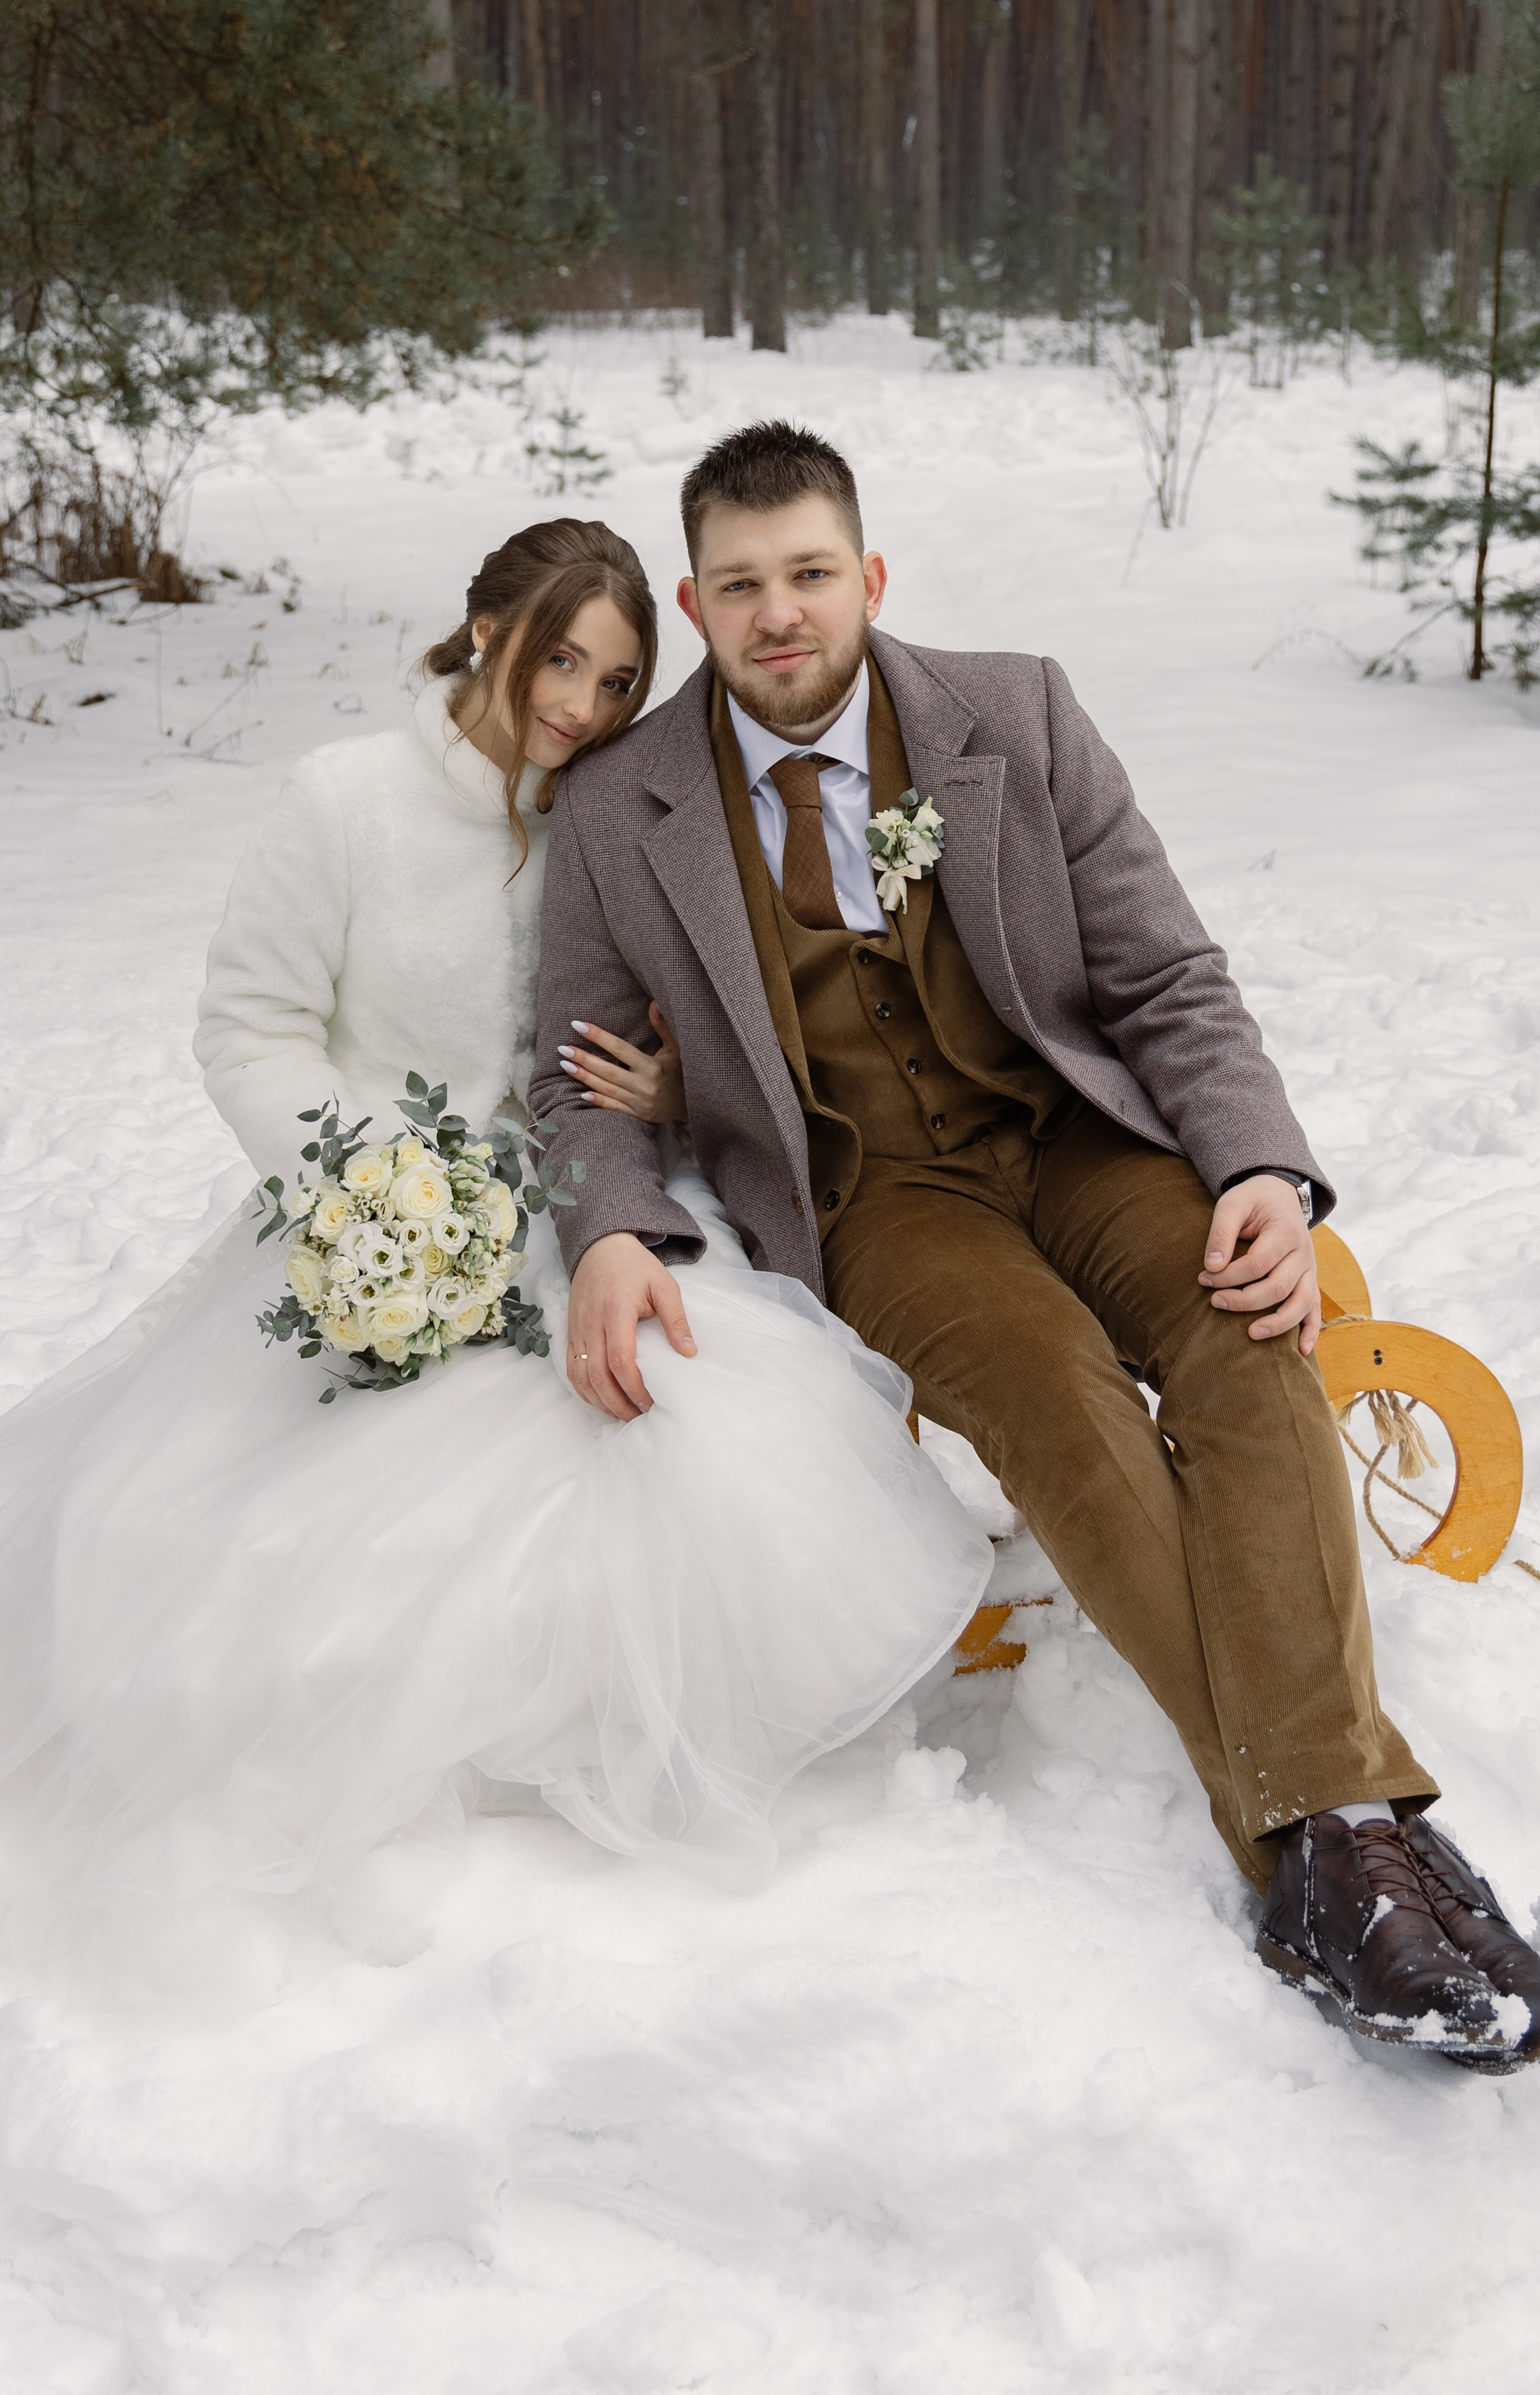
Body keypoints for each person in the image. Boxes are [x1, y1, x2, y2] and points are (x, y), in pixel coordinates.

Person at [530, 425, 1540, 2074]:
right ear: (697, 601)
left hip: (1078, 1136)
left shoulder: (1012, 713)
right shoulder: (617, 807)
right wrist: (608, 1226)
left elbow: (1165, 974)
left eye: (809, 574)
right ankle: (1344, 1827)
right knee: (1055, 1393)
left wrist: (1261, 1172)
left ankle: (1319, 1846)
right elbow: (574, 1069)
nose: (779, 614)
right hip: (878, 1197)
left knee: (1247, 1336)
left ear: (867, 577)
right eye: (740, 586)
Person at [0, 516, 992, 1981]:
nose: (582, 708)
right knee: (350, 1511)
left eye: (616, 678)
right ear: (482, 629)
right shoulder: (342, 802)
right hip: (371, 1215)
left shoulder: (615, 816)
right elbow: (249, 1030)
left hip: (585, 1199)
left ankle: (696, 1714)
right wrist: (376, 1195)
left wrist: (663, 1094)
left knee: (693, 1415)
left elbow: (666, 1019)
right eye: (559, 662)